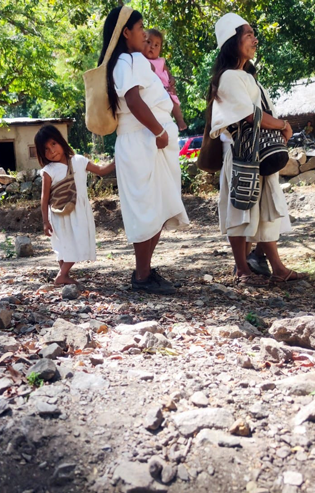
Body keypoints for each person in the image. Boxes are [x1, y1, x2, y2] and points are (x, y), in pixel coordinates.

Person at [209, 13, 305, 285]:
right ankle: (242, 269)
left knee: (262, 208)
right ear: (232, 41)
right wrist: (283, 125)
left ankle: (277, 267)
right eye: (248, 34)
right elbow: (249, 114)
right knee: (241, 208)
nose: (255, 39)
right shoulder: (228, 77)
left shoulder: (246, 76)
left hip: (256, 153)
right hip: (242, 154)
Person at [99, 6, 189, 294]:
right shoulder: (128, 59)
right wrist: (159, 131)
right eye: (140, 29)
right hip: (143, 140)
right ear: (126, 32)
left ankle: (145, 272)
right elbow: (134, 100)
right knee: (146, 208)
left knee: (158, 206)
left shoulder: (133, 60)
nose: (144, 34)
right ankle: (141, 276)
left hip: (149, 140)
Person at [36, 125, 115, 285]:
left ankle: (63, 274)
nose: (51, 151)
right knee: (64, 243)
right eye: (45, 149)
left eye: (53, 144)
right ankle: (62, 275)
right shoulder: (48, 170)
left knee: (77, 240)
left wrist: (118, 159)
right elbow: (44, 198)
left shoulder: (78, 161)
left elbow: (100, 170)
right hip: (59, 214)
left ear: (61, 141)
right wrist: (45, 221)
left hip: (78, 212)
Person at [143, 29, 188, 131]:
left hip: (167, 88)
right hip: (155, 89)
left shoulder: (161, 61)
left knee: (174, 101)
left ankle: (180, 121)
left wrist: (172, 80)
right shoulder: (141, 59)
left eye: (156, 45)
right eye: (148, 42)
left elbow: (169, 74)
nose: (152, 47)